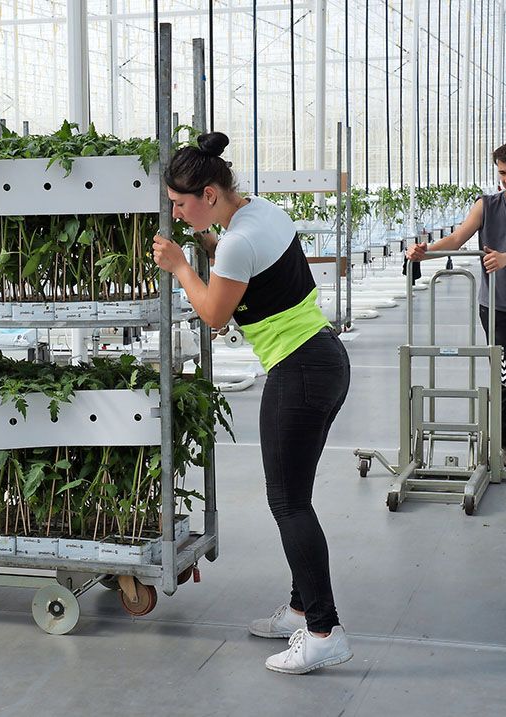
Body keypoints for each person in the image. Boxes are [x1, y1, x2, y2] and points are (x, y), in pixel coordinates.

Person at [152, 132, 352, 675]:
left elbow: (216, 314)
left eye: (179, 204)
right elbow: (256, 269)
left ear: (210, 195)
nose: (175, 213)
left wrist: (180, 267)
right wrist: (209, 252)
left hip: (299, 372)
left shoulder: (235, 242)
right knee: (298, 497)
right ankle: (299, 609)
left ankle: (324, 631)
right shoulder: (260, 212)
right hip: (325, 357)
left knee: (288, 503)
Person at [406, 138, 506, 473]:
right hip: (495, 308)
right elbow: (457, 238)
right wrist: (426, 251)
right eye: (503, 172)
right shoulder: (487, 205)